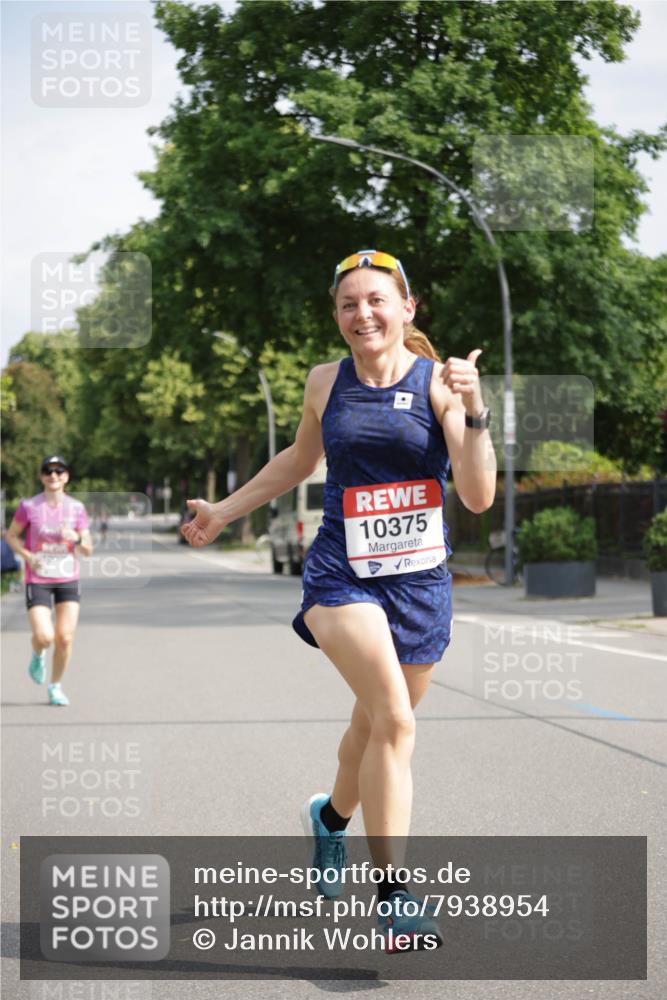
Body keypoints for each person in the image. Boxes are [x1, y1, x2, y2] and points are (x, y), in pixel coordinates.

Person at [183, 249, 496, 951]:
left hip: (419, 584)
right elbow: (299, 460)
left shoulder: (439, 386)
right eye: (348, 304)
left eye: (376, 300)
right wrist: (225, 511)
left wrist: (474, 408)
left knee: (372, 727)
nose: (363, 314)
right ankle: (393, 898)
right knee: (393, 720)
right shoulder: (326, 382)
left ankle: (329, 820)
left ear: (407, 308)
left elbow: (476, 495)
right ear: (337, 316)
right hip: (341, 576)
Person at [5, 455, 93, 706]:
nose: (53, 475)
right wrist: (27, 555)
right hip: (39, 577)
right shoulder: (29, 506)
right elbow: (11, 536)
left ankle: (55, 686)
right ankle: (38, 653)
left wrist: (76, 538)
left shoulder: (77, 508)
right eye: (48, 471)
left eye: (59, 471)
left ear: (66, 476)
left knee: (65, 638)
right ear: (41, 476)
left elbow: (88, 549)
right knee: (45, 636)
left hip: (68, 577)